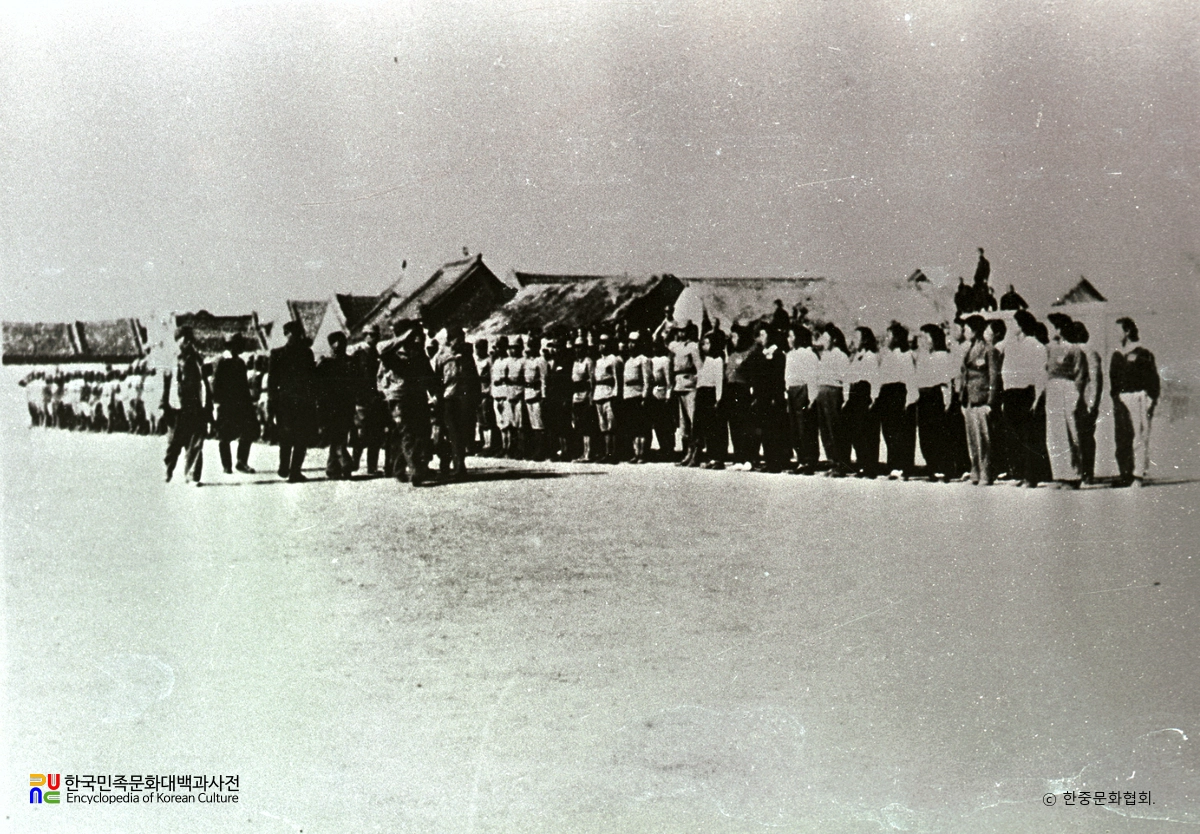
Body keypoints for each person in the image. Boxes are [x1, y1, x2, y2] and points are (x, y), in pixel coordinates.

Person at [377, 320, 436, 486]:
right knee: (407, 433)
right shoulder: (391, 353)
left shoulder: (418, 353)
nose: (416, 339)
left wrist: (435, 393)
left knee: (422, 433)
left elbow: (429, 376)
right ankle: (416, 470)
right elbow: (382, 353)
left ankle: (399, 468)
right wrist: (402, 338)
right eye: (412, 335)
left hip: (417, 397)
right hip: (399, 398)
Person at [1110, 317, 1160, 488]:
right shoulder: (1117, 355)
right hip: (1122, 400)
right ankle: (1125, 474)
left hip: (1139, 398)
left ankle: (1137, 476)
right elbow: (1114, 380)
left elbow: (1153, 379)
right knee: (1122, 437)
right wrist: (1116, 398)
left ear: (1127, 331)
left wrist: (1151, 400)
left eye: (1118, 330)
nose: (1114, 334)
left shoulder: (1143, 354)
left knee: (1139, 436)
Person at [1000, 310, 1048, 487]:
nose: (1010, 326)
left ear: (1020, 325)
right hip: (1011, 394)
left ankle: (1031, 476)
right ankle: (1019, 473)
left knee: (1029, 437)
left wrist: (1037, 398)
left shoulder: (1036, 345)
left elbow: (1040, 373)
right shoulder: (1011, 346)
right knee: (1015, 436)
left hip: (1026, 393)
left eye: (1013, 323)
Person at [1043, 313, 1088, 488]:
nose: (1055, 330)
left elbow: (1080, 374)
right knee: (1054, 434)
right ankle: (1059, 475)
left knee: (1070, 432)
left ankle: (1073, 476)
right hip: (1053, 388)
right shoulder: (1050, 348)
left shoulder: (1074, 349)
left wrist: (1076, 395)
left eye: (1057, 327)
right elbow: (1045, 369)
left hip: (1068, 389)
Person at [269, 320, 318, 482]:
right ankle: (287, 467)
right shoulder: (279, 354)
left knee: (296, 437)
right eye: (292, 333)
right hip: (289, 402)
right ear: (286, 334)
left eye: (297, 333)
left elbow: (312, 379)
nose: (295, 336)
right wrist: (273, 404)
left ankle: (292, 470)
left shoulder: (305, 353)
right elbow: (272, 382)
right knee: (291, 436)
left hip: (297, 401)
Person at [162, 325, 211, 486]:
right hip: (177, 406)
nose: (187, 342)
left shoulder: (197, 358)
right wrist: (164, 404)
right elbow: (165, 383)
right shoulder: (171, 359)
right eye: (184, 339)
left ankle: (192, 475)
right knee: (174, 442)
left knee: (196, 441)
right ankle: (168, 468)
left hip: (195, 404)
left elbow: (204, 382)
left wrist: (207, 403)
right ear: (178, 340)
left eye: (189, 339)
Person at [958, 315, 1001, 485]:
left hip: (982, 398)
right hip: (969, 397)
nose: (964, 332)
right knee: (972, 438)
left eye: (967, 329)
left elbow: (993, 377)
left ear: (975, 330)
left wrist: (991, 401)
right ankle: (975, 469)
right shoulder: (968, 349)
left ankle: (986, 472)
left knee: (984, 438)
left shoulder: (988, 350)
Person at [433, 326, 479, 480]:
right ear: (450, 339)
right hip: (448, 399)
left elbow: (474, 378)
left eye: (462, 338)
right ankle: (446, 463)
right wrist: (437, 399)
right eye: (456, 338)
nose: (459, 341)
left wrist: (475, 398)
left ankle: (459, 466)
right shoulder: (442, 356)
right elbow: (437, 380)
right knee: (448, 434)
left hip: (463, 399)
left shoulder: (467, 356)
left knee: (460, 433)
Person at [912, 324, 954, 481]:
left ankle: (942, 467)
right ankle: (932, 465)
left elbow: (946, 382)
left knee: (938, 433)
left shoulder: (942, 356)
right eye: (921, 337)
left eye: (926, 337)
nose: (923, 341)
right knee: (925, 434)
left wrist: (946, 401)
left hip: (936, 395)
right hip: (923, 396)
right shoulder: (923, 357)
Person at [212, 333, 258, 475]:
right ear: (231, 345)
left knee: (248, 432)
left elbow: (244, 385)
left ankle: (241, 461)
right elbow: (216, 384)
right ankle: (227, 465)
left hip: (241, 404)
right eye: (238, 345)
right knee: (224, 436)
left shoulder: (240, 362)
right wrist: (217, 404)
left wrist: (249, 404)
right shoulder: (221, 361)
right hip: (226, 405)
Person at [876, 322, 917, 479]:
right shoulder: (887, 355)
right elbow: (881, 377)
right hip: (886, 393)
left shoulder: (905, 355)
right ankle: (893, 464)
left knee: (900, 431)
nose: (886, 339)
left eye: (889, 336)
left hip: (898, 392)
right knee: (888, 431)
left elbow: (909, 378)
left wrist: (909, 400)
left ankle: (902, 466)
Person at [316, 331, 356, 480]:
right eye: (335, 342)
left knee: (340, 435)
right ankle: (345, 462)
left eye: (342, 342)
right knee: (336, 436)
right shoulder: (325, 363)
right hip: (329, 405)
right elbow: (317, 385)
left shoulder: (351, 362)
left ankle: (333, 468)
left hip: (346, 404)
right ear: (331, 345)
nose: (339, 345)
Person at [1067, 321, 1104, 484]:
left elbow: (1095, 379)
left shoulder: (1089, 352)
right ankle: (1080, 471)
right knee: (1077, 437)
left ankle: (1087, 472)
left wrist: (1092, 403)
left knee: (1085, 437)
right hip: (1076, 400)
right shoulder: (1075, 351)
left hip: (1085, 402)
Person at [813, 324, 851, 476]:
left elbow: (846, 379)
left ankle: (842, 463)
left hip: (834, 392)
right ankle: (832, 461)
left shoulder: (841, 355)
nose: (824, 341)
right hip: (822, 393)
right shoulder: (825, 355)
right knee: (825, 430)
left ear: (834, 340)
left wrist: (845, 398)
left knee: (835, 429)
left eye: (827, 338)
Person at [844, 326, 881, 478]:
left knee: (868, 432)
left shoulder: (871, 357)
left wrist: (873, 397)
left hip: (864, 393)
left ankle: (870, 466)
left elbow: (874, 379)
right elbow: (849, 378)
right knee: (856, 431)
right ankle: (861, 463)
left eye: (857, 338)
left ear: (865, 340)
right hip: (855, 394)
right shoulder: (856, 357)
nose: (854, 341)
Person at [784, 323, 820, 474]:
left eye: (792, 336)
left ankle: (810, 461)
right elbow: (787, 375)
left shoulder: (809, 354)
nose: (789, 339)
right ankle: (801, 460)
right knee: (794, 428)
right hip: (792, 391)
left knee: (805, 426)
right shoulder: (791, 354)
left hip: (803, 390)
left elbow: (812, 377)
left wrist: (811, 398)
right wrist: (787, 393)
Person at [669, 323, 701, 466]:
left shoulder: (693, 346)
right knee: (684, 423)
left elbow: (699, 367)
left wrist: (696, 381)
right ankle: (687, 453)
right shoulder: (676, 347)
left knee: (694, 420)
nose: (681, 334)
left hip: (690, 386)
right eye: (679, 331)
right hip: (679, 385)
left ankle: (696, 454)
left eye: (684, 331)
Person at [695, 331, 725, 469]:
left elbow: (718, 381)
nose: (704, 346)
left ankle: (718, 458)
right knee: (706, 427)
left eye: (708, 343)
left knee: (714, 428)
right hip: (702, 393)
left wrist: (718, 399)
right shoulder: (706, 360)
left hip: (711, 394)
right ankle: (711, 456)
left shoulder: (717, 360)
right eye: (703, 344)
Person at [592, 333, 623, 463]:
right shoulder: (598, 361)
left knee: (612, 425)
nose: (601, 345)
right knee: (603, 425)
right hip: (599, 394)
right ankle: (606, 452)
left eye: (604, 343)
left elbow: (617, 379)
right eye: (600, 342)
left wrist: (616, 395)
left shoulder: (614, 360)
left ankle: (613, 453)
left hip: (609, 394)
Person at [520, 335, 548, 460]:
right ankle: (533, 450)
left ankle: (541, 451)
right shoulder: (527, 361)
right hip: (528, 393)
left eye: (533, 346)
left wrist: (543, 396)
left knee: (539, 424)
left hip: (537, 394)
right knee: (532, 424)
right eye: (529, 345)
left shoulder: (541, 361)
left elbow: (544, 379)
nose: (530, 348)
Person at [648, 338, 675, 461]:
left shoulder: (665, 360)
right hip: (653, 393)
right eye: (653, 346)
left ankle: (669, 448)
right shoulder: (651, 360)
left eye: (657, 346)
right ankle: (662, 447)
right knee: (657, 423)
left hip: (663, 393)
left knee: (666, 424)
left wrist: (668, 395)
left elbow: (669, 381)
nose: (655, 349)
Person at [570, 336, 596, 462]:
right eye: (576, 347)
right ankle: (581, 452)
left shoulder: (588, 361)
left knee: (586, 426)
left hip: (585, 395)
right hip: (576, 396)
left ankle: (588, 453)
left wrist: (590, 398)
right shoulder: (575, 363)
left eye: (580, 347)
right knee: (578, 425)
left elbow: (591, 381)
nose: (577, 349)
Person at [474, 338, 496, 456]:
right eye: (476, 348)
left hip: (486, 392)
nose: (477, 350)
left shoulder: (489, 361)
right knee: (480, 420)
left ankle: (489, 445)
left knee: (487, 418)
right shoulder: (475, 360)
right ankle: (483, 444)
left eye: (479, 348)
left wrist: (490, 392)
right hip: (477, 392)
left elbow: (491, 377)